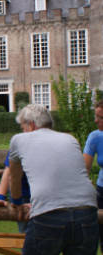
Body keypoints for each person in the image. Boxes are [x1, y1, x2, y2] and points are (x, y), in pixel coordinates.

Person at [9, 104, 98, 255]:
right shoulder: (70, 139)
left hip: (48, 213)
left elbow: (14, 178)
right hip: (86, 211)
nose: (22, 131)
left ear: (31, 125)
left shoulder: (18, 140)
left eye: (22, 127)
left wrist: (17, 203)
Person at [0, 151, 30, 233]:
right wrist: (0, 197)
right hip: (23, 194)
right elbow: (9, 171)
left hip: (43, 194)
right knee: (25, 232)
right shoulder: (19, 142)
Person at [83, 99, 103, 254]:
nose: (96, 120)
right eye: (95, 116)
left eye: (100, 117)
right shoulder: (95, 137)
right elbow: (84, 169)